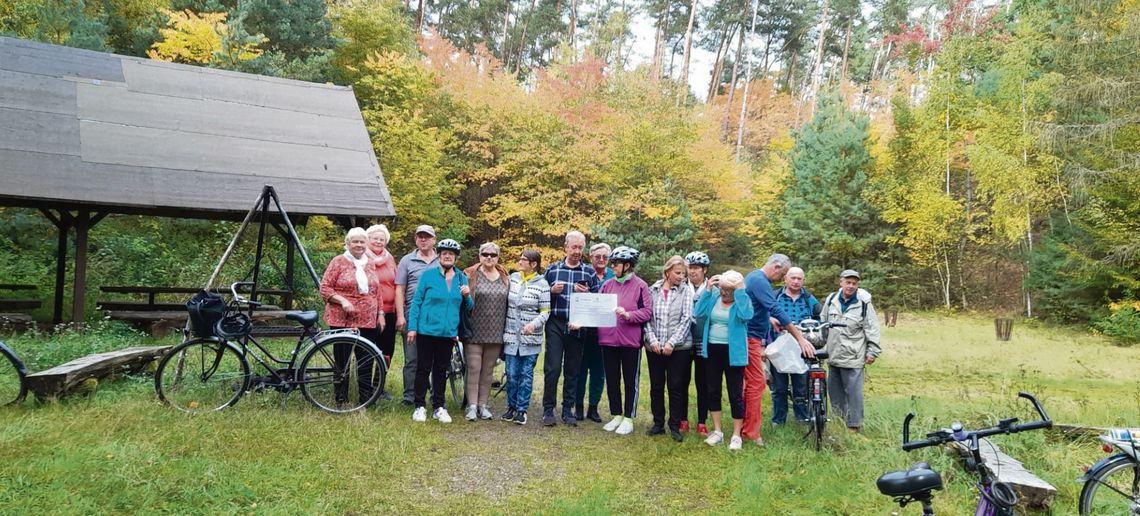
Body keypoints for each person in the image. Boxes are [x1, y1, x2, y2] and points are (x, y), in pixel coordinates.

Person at [742, 254, 815, 446]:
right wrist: (800, 338)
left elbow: (755, 307)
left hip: (752, 337)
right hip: (749, 338)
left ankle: (744, 427)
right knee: (757, 384)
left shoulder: (754, 278)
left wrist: (768, 320)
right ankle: (750, 432)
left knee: (750, 383)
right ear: (775, 266)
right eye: (782, 273)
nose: (779, 278)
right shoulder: (760, 280)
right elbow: (775, 308)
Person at [407, 239, 472, 424]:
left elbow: (469, 307)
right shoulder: (428, 275)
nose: (448, 256)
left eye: (451, 254)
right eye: (444, 254)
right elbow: (416, 302)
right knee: (423, 368)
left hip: (448, 332)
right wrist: (412, 327)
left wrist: (467, 296)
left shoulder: (461, 278)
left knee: (441, 370)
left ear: (456, 258)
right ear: (439, 256)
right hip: (426, 330)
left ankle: (439, 406)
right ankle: (419, 406)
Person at [541, 231, 601, 427]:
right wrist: (551, 291)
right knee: (553, 367)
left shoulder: (589, 273)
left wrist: (586, 296)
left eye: (580, 247)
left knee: (573, 369)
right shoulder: (552, 270)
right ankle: (548, 409)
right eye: (573, 247)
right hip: (556, 323)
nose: (576, 251)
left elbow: (596, 302)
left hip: (578, 324)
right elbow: (539, 298)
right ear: (565, 247)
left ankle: (568, 410)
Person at [319, 227, 383, 405]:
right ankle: (341, 400)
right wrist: (342, 301)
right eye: (355, 241)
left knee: (365, 359)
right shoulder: (338, 261)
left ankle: (365, 398)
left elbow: (376, 291)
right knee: (342, 360)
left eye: (362, 242)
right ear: (347, 244)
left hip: (367, 320)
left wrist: (381, 313)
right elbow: (325, 288)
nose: (359, 245)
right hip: (342, 319)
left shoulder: (369, 262)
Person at [694, 270, 753, 450]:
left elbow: (746, 316)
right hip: (712, 349)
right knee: (713, 390)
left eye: (729, 289)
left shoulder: (742, 300)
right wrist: (708, 288)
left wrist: (741, 291)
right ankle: (717, 431)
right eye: (723, 288)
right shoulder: (714, 296)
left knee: (735, 393)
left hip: (733, 353)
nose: (725, 292)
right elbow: (699, 312)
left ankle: (736, 435)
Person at [598, 246, 653, 436]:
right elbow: (597, 308)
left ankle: (629, 417)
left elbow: (647, 312)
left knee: (631, 381)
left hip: (630, 342)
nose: (612, 267)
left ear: (627, 265)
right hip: (608, 340)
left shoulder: (641, 286)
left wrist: (628, 314)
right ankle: (616, 414)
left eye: (616, 264)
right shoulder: (607, 285)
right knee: (612, 380)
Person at [820, 269, 881, 432]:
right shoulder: (831, 299)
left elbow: (872, 327)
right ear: (841, 282)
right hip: (833, 355)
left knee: (854, 394)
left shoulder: (863, 303)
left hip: (854, 356)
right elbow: (823, 323)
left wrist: (872, 351)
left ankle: (854, 425)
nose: (851, 286)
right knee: (834, 392)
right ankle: (840, 423)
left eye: (854, 283)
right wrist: (819, 346)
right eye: (848, 282)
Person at [644, 255, 695, 442]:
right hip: (654, 347)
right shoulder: (652, 290)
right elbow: (647, 318)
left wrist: (671, 343)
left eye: (683, 273)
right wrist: (654, 341)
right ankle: (658, 423)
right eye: (678, 273)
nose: (681, 276)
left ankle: (674, 425)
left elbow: (686, 319)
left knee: (675, 386)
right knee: (656, 386)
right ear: (667, 272)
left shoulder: (685, 292)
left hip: (678, 349)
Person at [501, 249, 551, 425]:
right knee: (511, 373)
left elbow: (545, 312)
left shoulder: (543, 284)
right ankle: (511, 407)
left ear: (533, 264)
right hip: (511, 336)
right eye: (520, 258)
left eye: (524, 260)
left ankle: (522, 410)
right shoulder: (513, 278)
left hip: (531, 338)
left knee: (526, 374)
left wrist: (533, 324)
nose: (520, 262)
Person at [462, 242, 510, 421]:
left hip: (496, 330)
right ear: (479, 255)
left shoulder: (505, 276)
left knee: (488, 370)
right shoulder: (470, 274)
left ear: (498, 257)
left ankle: (483, 405)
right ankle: (472, 406)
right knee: (474, 368)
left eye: (493, 254)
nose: (489, 257)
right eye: (485, 254)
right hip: (474, 329)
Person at [768, 266, 821, 425]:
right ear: (785, 278)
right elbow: (761, 314)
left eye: (800, 278)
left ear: (803, 281)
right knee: (779, 388)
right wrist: (769, 320)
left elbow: (820, 317)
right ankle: (779, 420)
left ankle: (802, 419)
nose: (796, 281)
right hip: (778, 347)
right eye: (793, 278)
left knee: (801, 387)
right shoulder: (774, 296)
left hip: (801, 347)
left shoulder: (809, 299)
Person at [395, 225, 439, 406]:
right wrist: (400, 316)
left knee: (434, 360)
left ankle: (434, 395)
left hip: (435, 318)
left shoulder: (442, 259)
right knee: (412, 359)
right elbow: (399, 290)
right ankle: (409, 396)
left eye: (427, 237)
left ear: (434, 240)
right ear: (416, 240)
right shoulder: (407, 260)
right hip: (411, 316)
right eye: (420, 237)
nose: (423, 240)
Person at [574, 242, 613, 422]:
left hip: (604, 332)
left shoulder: (614, 276)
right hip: (583, 330)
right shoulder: (583, 273)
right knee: (580, 370)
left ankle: (593, 407)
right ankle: (579, 406)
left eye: (605, 257)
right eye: (598, 257)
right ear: (591, 258)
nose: (601, 260)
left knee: (599, 372)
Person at [366, 224, 397, 401]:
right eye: (375, 238)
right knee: (370, 349)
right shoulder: (363, 258)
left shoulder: (390, 258)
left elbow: (395, 282)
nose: (378, 241)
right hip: (370, 313)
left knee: (387, 351)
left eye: (382, 239)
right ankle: (366, 387)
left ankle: (379, 386)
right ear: (368, 240)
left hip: (390, 311)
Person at [684, 251, 712, 436]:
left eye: (696, 268)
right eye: (689, 268)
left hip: (703, 340)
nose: (692, 272)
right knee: (681, 381)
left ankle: (702, 420)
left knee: (703, 383)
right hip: (684, 340)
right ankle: (682, 418)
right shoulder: (681, 287)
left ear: (704, 270)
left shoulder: (712, 289)